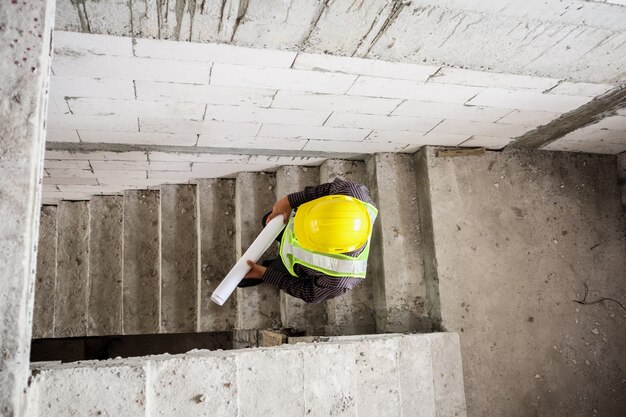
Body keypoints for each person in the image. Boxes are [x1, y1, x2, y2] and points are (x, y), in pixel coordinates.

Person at [238, 177, 378, 304]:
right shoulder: (351, 193)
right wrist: (290, 201)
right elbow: (325, 190)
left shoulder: (339, 279)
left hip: (292, 264)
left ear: (327, 249)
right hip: (295, 224)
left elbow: (309, 293)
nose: (297, 236)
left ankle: (270, 267)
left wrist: (266, 274)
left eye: (304, 236)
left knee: (247, 279)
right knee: (267, 220)